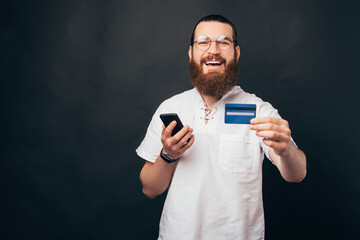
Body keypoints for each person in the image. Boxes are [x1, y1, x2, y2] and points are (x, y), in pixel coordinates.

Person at [136, 14, 306, 240]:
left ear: (236, 53)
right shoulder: (171, 107)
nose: (213, 50)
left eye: (223, 42)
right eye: (203, 42)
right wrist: (169, 154)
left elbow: (297, 174)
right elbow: (150, 189)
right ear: (191, 53)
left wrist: (286, 150)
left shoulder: (258, 110)